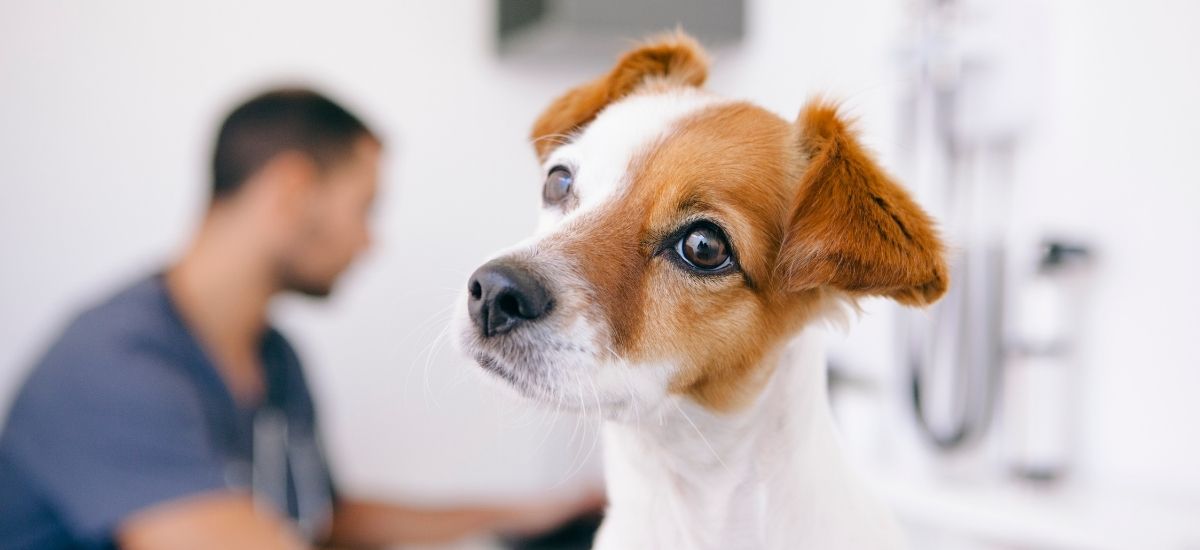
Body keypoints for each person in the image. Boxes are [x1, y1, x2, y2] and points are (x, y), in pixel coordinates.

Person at [0, 89, 601, 550]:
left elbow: (323, 522)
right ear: (292, 191)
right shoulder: (112, 364)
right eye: (364, 208)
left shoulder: (275, 359)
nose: (369, 242)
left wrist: (519, 515)